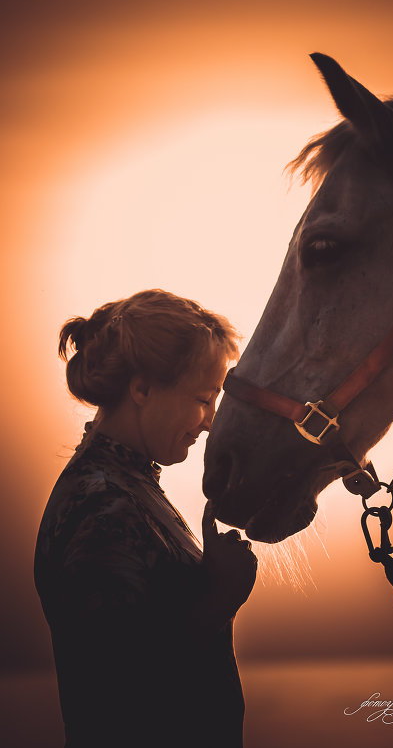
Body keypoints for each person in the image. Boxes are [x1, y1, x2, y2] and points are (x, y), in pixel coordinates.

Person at [34, 289, 257, 748]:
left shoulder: (126, 486)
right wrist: (222, 596)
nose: (211, 421)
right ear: (141, 389)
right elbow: (121, 694)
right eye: (202, 398)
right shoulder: (101, 507)